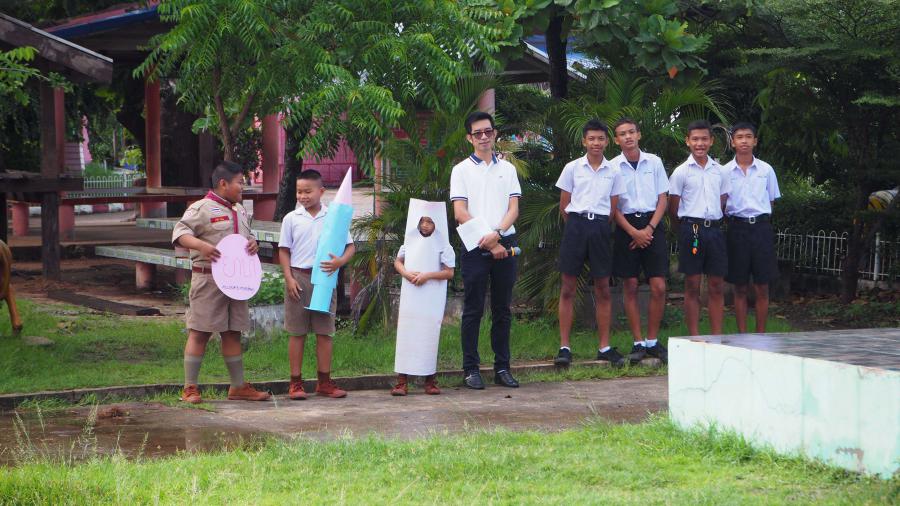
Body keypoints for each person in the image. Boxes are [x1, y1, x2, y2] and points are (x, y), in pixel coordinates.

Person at [173, 160, 271, 404]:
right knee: (200, 332)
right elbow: (180, 233)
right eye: (239, 182)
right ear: (223, 183)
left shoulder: (240, 210)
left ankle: (238, 387)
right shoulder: (201, 208)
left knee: (233, 333)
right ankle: (189, 388)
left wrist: (253, 243)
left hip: (236, 282)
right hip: (208, 279)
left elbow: (246, 237)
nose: (243, 187)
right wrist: (201, 246)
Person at [450, 111, 522, 389]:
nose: (483, 137)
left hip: (505, 242)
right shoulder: (461, 170)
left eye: (488, 132)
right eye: (477, 133)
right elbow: (460, 212)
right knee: (473, 309)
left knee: (502, 309)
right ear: (469, 138)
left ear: (495, 134)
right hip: (475, 246)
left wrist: (498, 235)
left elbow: (513, 209)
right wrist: (489, 240)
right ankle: (471, 369)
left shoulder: (508, 169)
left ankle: (502, 367)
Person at [553, 119, 627, 368]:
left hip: (600, 228)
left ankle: (604, 347)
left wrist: (597, 225)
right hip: (576, 226)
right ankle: (565, 347)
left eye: (601, 138)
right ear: (584, 141)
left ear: (607, 142)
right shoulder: (572, 168)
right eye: (591, 138)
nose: (596, 143)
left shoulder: (614, 171)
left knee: (603, 287)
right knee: (568, 287)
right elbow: (564, 205)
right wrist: (578, 224)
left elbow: (613, 208)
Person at [278, 169, 355, 400]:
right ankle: (295, 383)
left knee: (325, 332)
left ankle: (324, 382)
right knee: (297, 332)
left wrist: (340, 262)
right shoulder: (291, 218)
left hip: (325, 279)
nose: (302, 196)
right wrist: (289, 278)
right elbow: (284, 250)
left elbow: (350, 246)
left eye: (308, 191)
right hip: (298, 279)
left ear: (321, 191)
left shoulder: (334, 216)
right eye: (299, 192)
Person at [610, 117, 670, 364]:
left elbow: (663, 198)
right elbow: (613, 207)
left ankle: (653, 341)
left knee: (659, 286)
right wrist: (634, 232)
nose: (628, 137)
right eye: (622, 134)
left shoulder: (654, 162)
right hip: (626, 226)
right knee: (631, 285)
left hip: (652, 224)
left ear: (639, 134)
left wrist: (649, 229)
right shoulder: (612, 167)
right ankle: (638, 342)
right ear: (616, 140)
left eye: (631, 132)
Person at [668, 120, 731, 336]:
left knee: (716, 284)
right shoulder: (681, 172)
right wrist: (683, 229)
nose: (700, 143)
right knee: (692, 283)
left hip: (714, 230)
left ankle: (716, 336)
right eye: (695, 139)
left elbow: (723, 200)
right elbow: (673, 207)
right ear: (687, 141)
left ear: (711, 141)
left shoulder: (720, 171)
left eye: (704, 139)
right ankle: (694, 336)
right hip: (693, 230)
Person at [391, 206, 455, 396]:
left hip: (432, 296)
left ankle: (430, 380)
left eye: (430, 221)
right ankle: (402, 381)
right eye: (422, 221)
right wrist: (406, 273)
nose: (425, 225)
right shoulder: (409, 241)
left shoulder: (444, 245)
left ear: (438, 223)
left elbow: (449, 272)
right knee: (406, 333)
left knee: (429, 334)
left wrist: (427, 276)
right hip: (411, 294)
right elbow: (398, 261)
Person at [724, 122, 781, 333]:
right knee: (739, 286)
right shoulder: (724, 172)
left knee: (762, 286)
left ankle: (760, 336)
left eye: (748, 136)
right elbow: (721, 203)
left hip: (761, 229)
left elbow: (771, 201)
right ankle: (742, 336)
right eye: (739, 137)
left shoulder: (766, 170)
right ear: (733, 142)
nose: (744, 141)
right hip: (736, 229)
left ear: (755, 141)